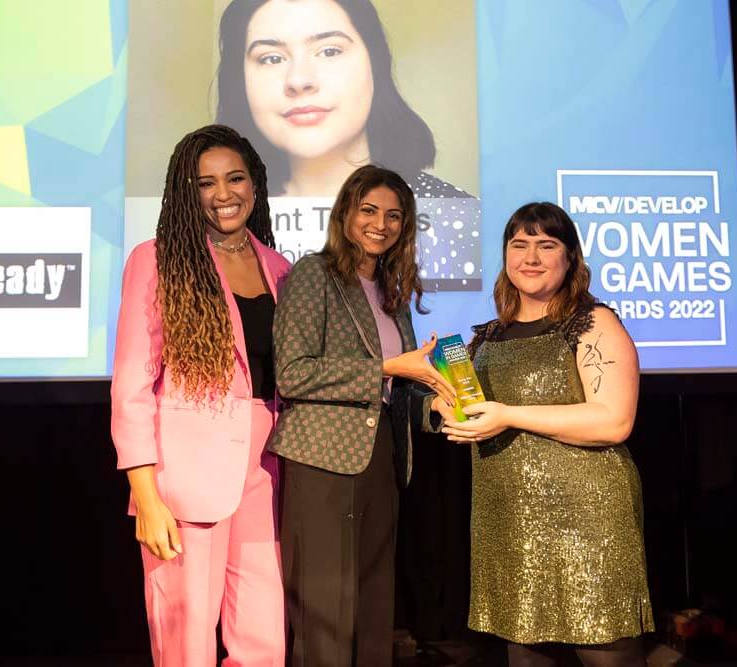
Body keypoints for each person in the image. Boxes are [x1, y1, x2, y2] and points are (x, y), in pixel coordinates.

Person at [430, 202, 654, 667]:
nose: (530, 256)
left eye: (546, 245)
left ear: (570, 258)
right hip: (510, 526)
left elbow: (614, 421)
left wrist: (508, 414)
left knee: (607, 655)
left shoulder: (593, 323)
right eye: (519, 245)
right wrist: (444, 403)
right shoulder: (487, 338)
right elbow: (479, 414)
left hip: (588, 524)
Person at [110, 124, 290, 667]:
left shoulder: (280, 267)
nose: (224, 193)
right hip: (185, 481)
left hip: (267, 472)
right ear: (187, 192)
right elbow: (131, 386)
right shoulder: (158, 258)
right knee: (186, 640)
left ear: (255, 185)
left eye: (235, 178)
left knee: (265, 639)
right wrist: (146, 495)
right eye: (206, 182)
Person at [269, 164, 456, 666]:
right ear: (346, 214)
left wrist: (436, 405)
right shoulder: (315, 274)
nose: (382, 223)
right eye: (369, 210)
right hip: (323, 464)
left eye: (394, 215)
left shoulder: (393, 292)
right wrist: (389, 367)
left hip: (381, 463)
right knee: (326, 615)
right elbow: (292, 374)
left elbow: (399, 390)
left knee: (374, 613)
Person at [215, 0, 472, 199]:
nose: (299, 79)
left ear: (375, 63)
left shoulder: (456, 217)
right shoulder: (194, 218)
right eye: (271, 58)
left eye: (329, 51)